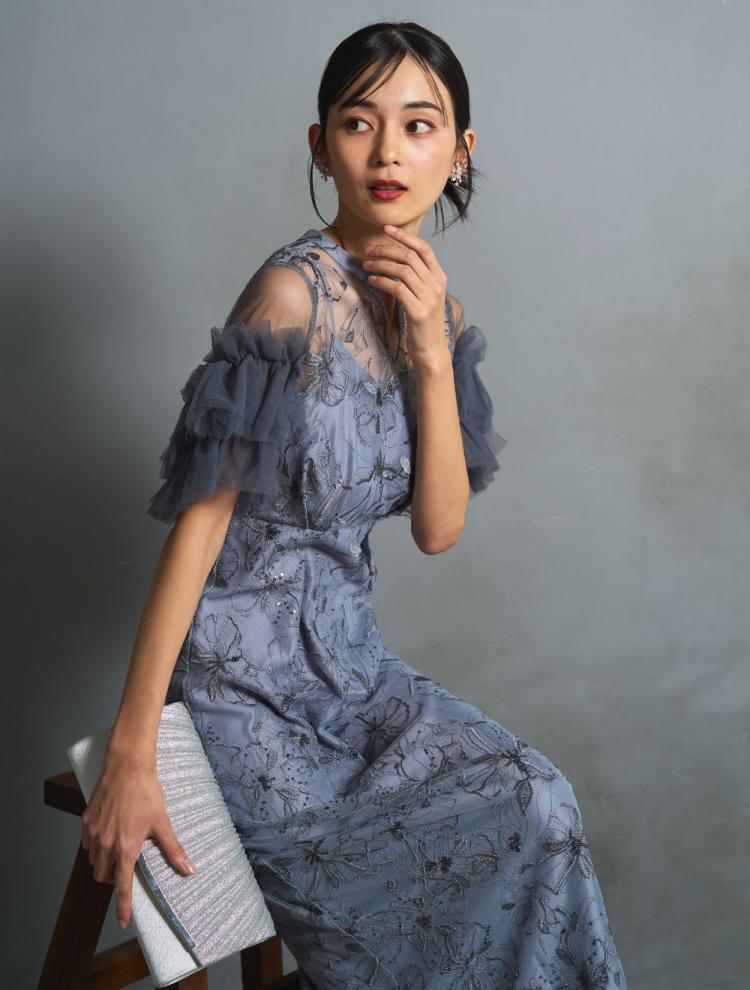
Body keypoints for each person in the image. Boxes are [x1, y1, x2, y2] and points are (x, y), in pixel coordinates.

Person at [81, 20, 629, 990]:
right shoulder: (289, 296)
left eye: (418, 126)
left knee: (539, 800)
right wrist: (134, 750)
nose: (386, 154)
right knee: (403, 899)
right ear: (320, 144)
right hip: (244, 697)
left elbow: (438, 529)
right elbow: (199, 529)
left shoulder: (436, 312)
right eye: (358, 123)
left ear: (460, 150)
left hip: (357, 679)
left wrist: (429, 352)